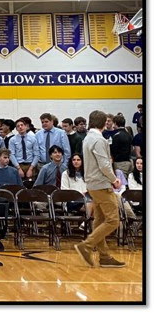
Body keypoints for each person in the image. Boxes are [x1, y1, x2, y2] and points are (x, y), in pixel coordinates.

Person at [74, 110, 125, 268]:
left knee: (100, 220)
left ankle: (104, 256)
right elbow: (104, 164)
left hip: (92, 184)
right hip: (101, 184)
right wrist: (114, 179)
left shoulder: (88, 138)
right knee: (113, 220)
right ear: (105, 123)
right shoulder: (99, 140)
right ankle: (87, 245)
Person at [61, 153, 93, 219]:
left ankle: (87, 226)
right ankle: (85, 224)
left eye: (78, 160)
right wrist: (78, 194)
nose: (76, 161)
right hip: (72, 201)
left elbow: (91, 186)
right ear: (71, 161)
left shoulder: (87, 173)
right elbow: (64, 190)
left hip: (87, 199)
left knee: (95, 206)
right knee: (92, 206)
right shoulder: (65, 173)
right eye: (74, 160)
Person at [110, 115, 133, 179]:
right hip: (129, 161)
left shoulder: (116, 136)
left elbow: (113, 150)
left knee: (122, 184)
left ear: (115, 123)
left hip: (120, 163)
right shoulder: (129, 135)